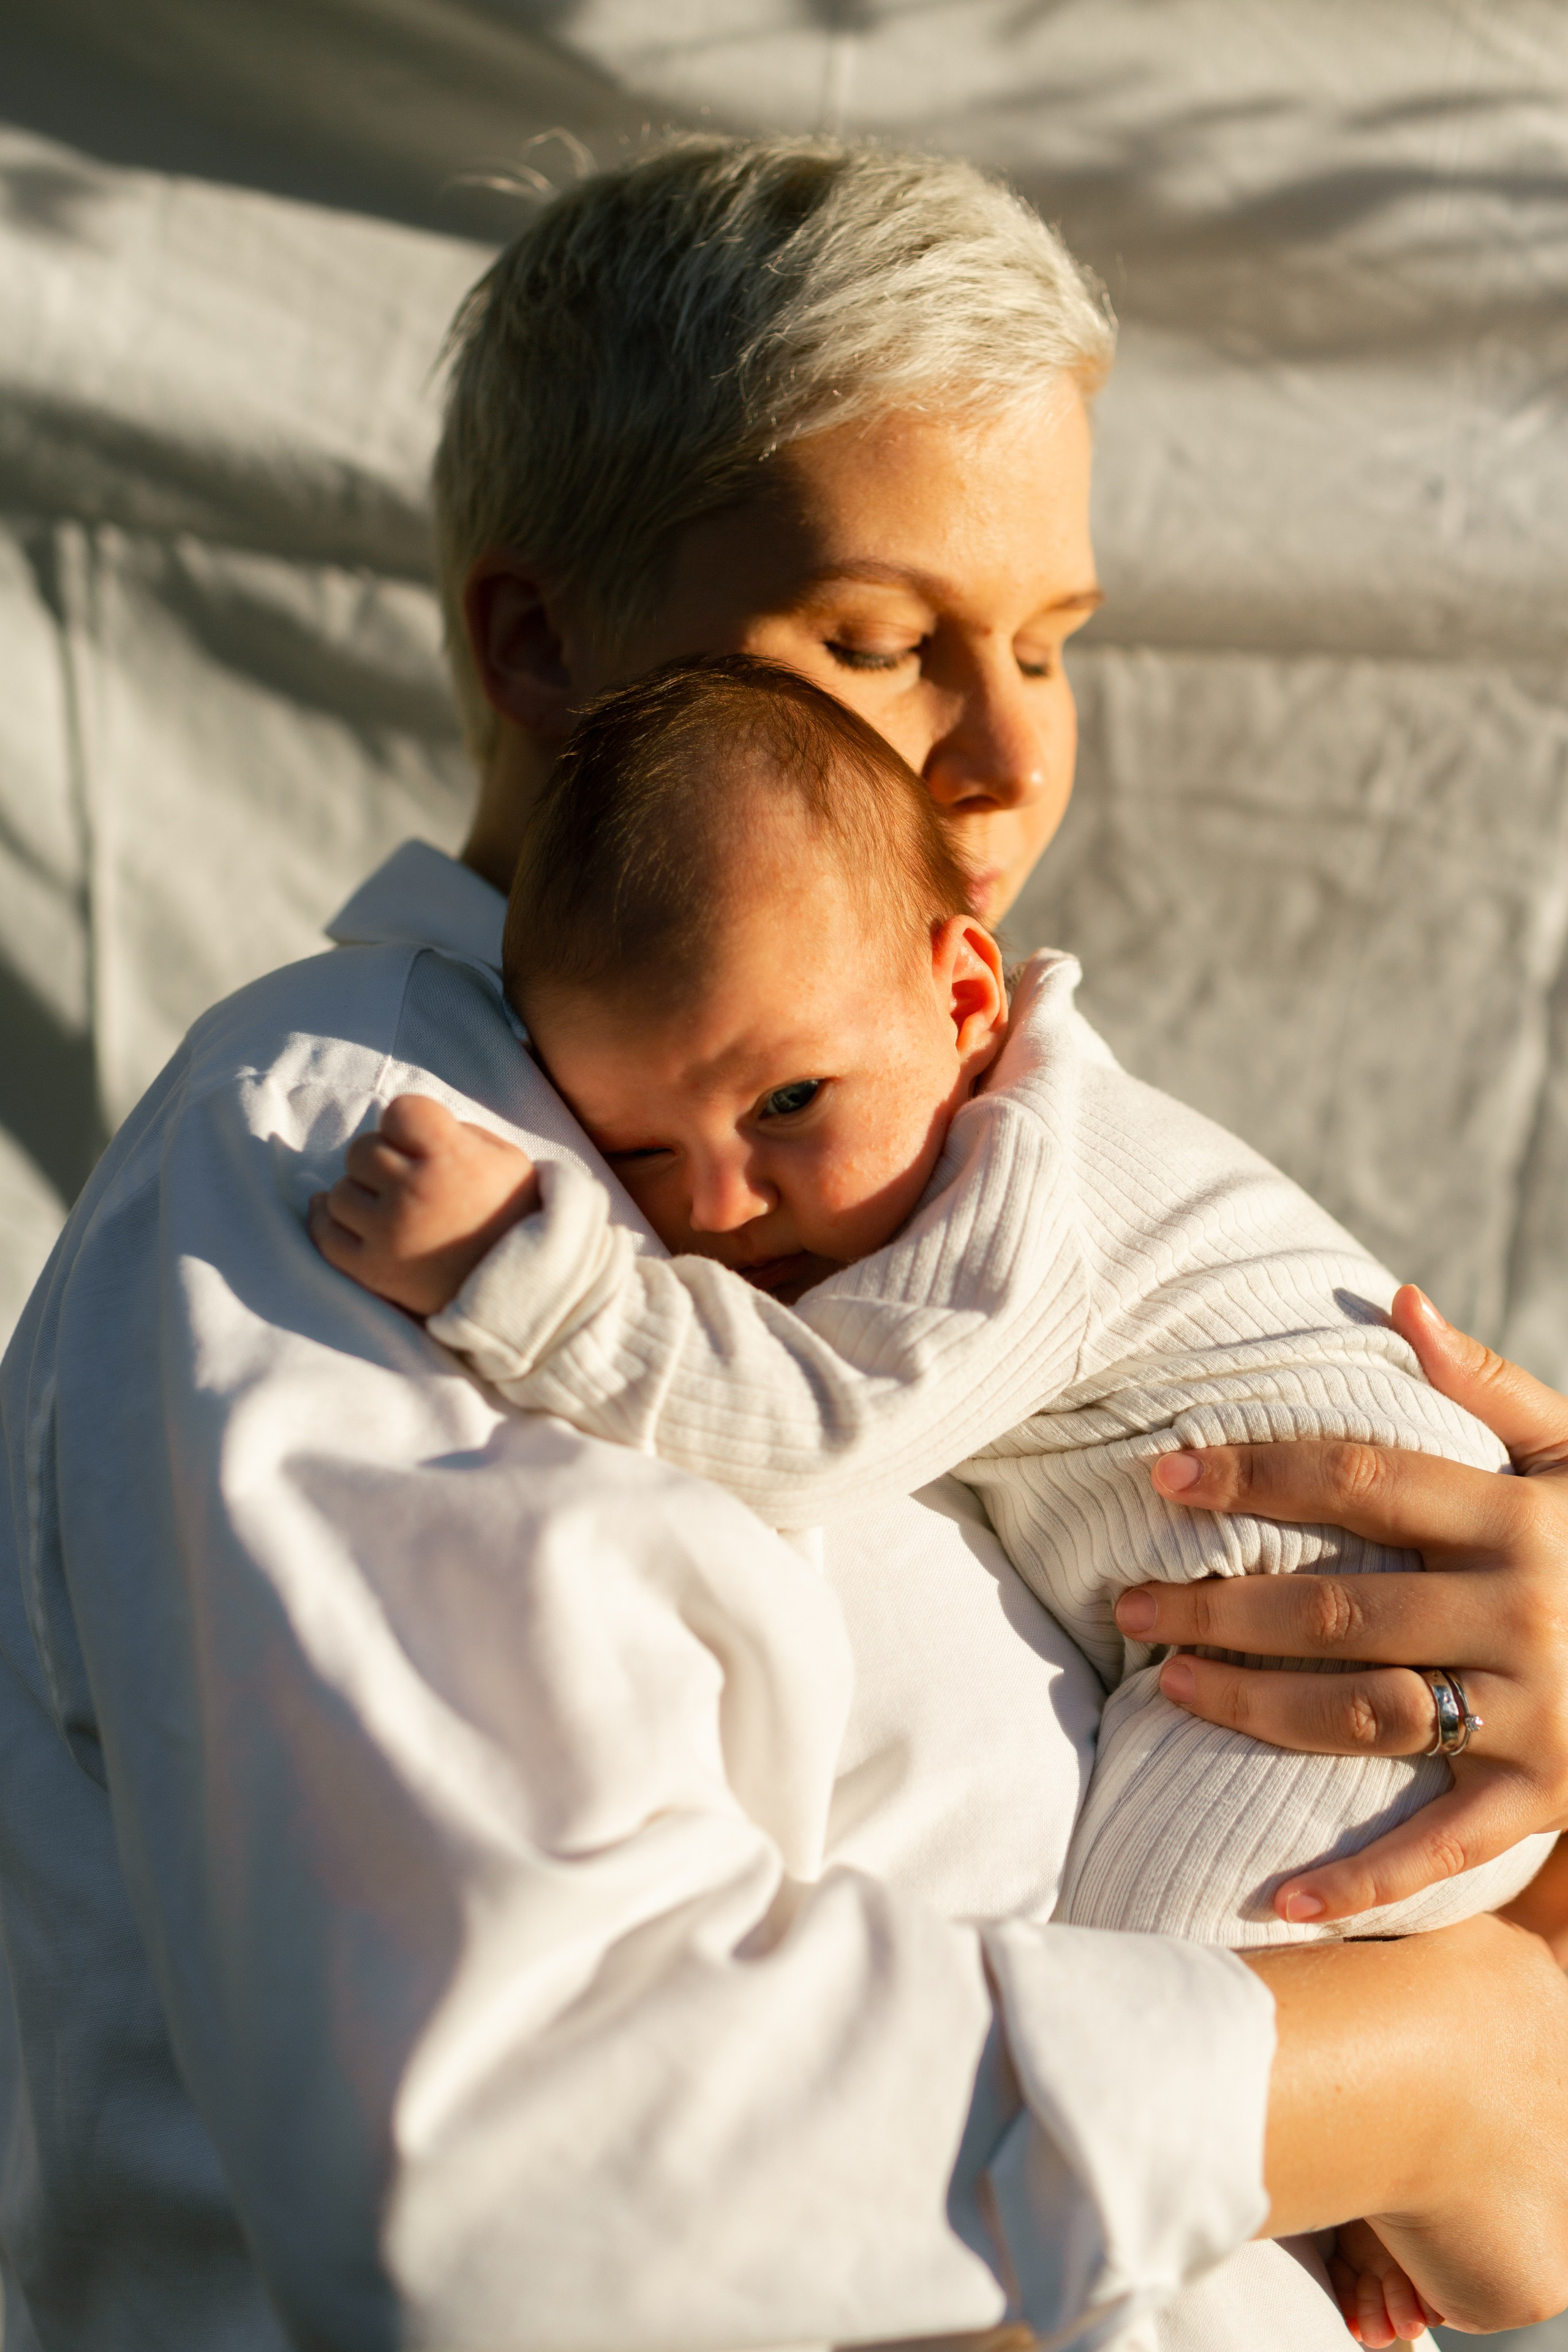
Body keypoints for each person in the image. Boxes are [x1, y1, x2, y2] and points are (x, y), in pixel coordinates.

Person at [5, 135, 1568, 2352]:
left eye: (1048, 643)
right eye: (878, 639)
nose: (1010, 760)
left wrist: (1500, 1699)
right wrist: (1456, 2068)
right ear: (538, 644)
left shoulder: (925, 1155)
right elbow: (519, 2158)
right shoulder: (360, 1169)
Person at [310, 647, 1551, 1974]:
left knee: (1136, 2022)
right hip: (1342, 1655)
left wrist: (529, 1275)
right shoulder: (956, 1126)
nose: (723, 1208)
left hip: (1359, 1657)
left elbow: (821, 1431)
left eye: (788, 1104)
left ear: (963, 997)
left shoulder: (1021, 1189)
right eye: (640, 1156)